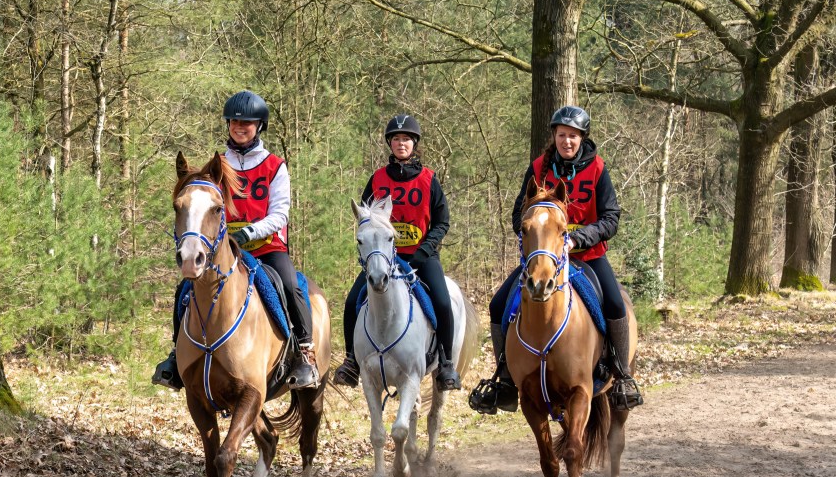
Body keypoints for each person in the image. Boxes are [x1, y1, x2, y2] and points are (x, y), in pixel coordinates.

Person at [470, 105, 643, 413]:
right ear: (554, 136)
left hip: (587, 256)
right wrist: (535, 233)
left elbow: (611, 218)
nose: (567, 141)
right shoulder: (539, 167)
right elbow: (518, 213)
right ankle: (505, 379)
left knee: (616, 305)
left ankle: (622, 375)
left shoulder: (597, 168)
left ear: (582, 138)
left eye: (573, 136)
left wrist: (577, 238)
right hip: (543, 258)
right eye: (562, 135)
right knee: (498, 305)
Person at [152, 90, 319, 390]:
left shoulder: (275, 166)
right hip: (223, 251)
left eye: (247, 123)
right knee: (184, 290)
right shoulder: (216, 166)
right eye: (234, 122)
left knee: (289, 284)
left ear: (259, 126)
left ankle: (304, 352)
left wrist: (249, 232)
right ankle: (177, 355)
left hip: (267, 248)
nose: (240, 127)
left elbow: (280, 214)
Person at [333, 114, 461, 391]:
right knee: (352, 301)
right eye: (396, 139)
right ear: (389, 144)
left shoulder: (429, 179)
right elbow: (364, 220)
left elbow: (442, 222)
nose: (401, 143)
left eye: (406, 139)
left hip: (420, 256)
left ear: (414, 144)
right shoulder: (377, 178)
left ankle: (446, 362)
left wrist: (425, 250)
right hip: (383, 258)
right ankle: (351, 361)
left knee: (442, 301)